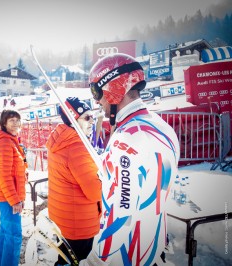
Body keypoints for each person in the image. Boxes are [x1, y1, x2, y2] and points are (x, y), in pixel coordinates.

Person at [80, 53, 180, 266]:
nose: (97, 100)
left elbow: (120, 215)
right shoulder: (162, 126)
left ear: (113, 88)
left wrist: (95, 260)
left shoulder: (126, 139)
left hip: (125, 255)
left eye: (97, 91)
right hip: (152, 246)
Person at [46, 97, 102, 265]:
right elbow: (95, 192)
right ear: (72, 119)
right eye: (86, 117)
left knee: (65, 258)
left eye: (91, 116)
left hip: (64, 216)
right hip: (79, 222)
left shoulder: (61, 139)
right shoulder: (76, 148)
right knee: (75, 260)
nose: (92, 121)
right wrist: (105, 178)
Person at [0, 109, 27, 266]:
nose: (15, 123)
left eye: (17, 120)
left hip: (8, 197)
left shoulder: (10, 141)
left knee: (6, 234)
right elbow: (4, 176)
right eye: (11, 120)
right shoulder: (5, 143)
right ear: (4, 123)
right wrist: (14, 200)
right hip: (8, 198)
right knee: (13, 236)